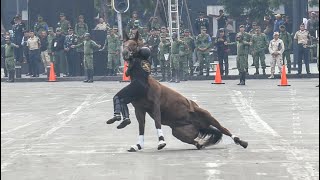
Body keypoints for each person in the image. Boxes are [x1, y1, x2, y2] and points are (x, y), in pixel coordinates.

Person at [107, 47, 152, 129]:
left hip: (136, 84)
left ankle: (117, 114)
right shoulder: (148, 63)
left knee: (116, 97)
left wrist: (129, 60)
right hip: (145, 88)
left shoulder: (136, 61)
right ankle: (126, 118)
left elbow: (127, 74)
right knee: (123, 101)